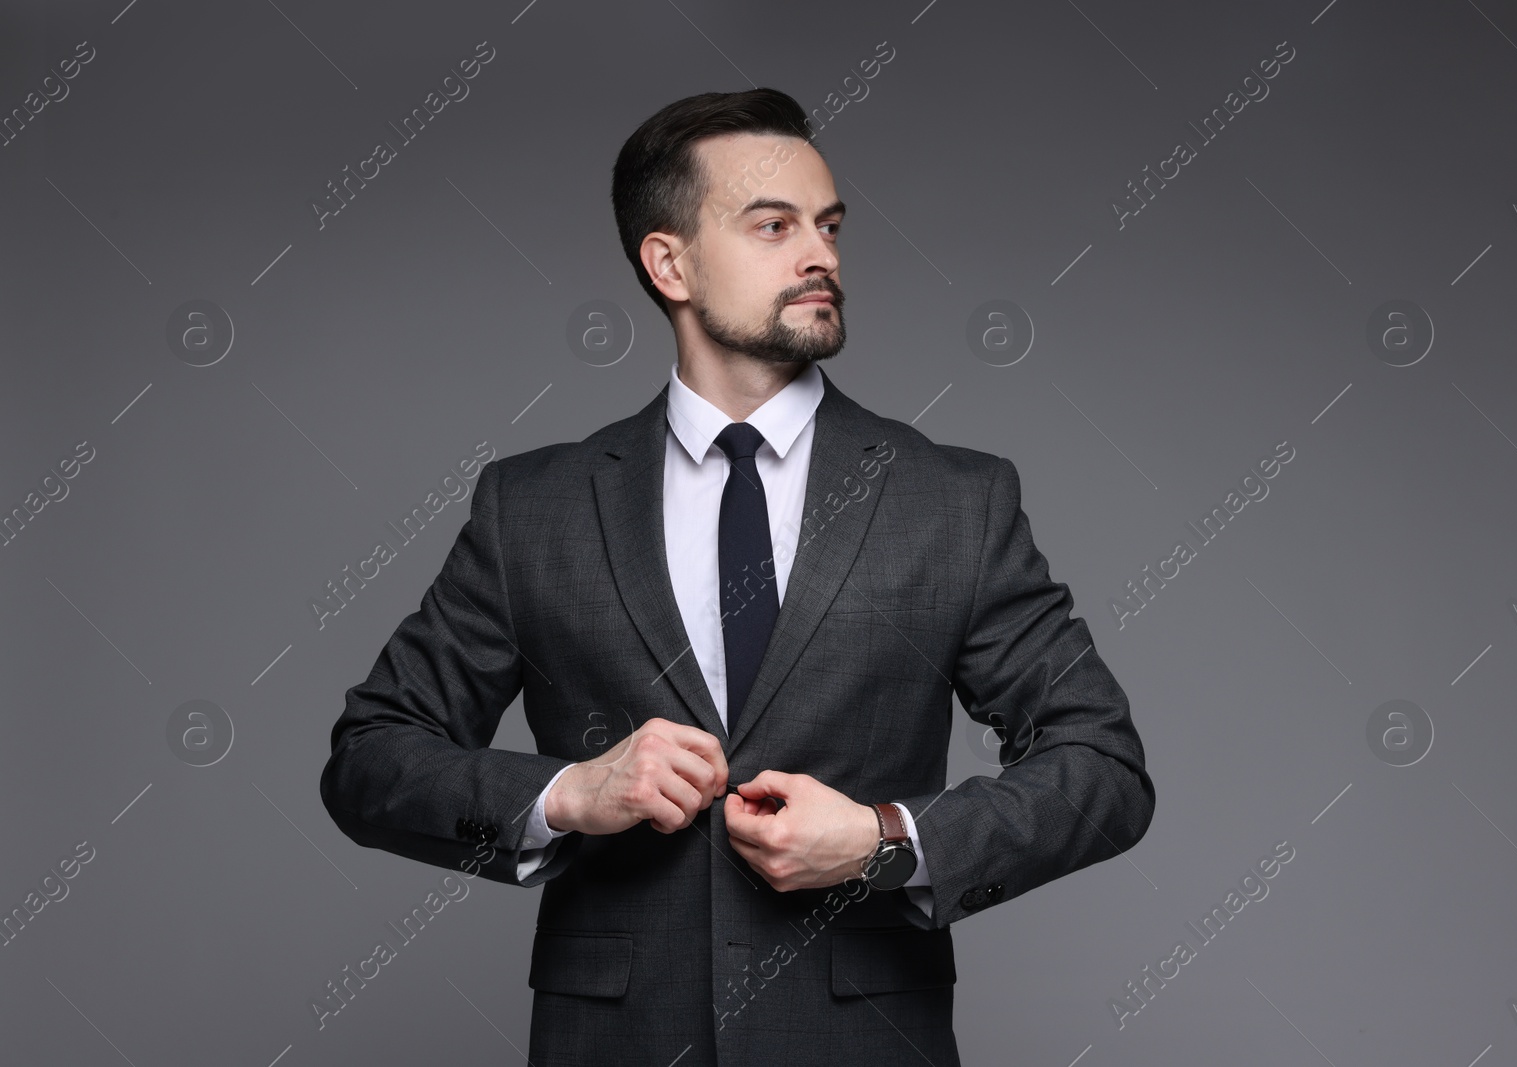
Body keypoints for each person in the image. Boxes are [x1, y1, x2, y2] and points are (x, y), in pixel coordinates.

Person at [320, 87, 1154, 1067]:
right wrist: (566, 794)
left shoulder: (951, 499)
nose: (822, 256)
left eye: (829, 225)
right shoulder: (533, 507)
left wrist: (885, 838)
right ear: (668, 262)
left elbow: (1100, 765)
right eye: (774, 225)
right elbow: (369, 758)